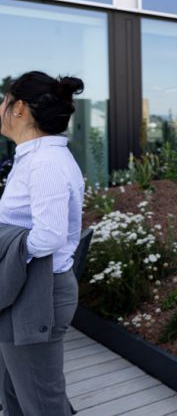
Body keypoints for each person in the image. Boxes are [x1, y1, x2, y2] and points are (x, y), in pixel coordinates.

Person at [0, 71, 85, 415]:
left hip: (38, 293)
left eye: (4, 100)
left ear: (19, 108)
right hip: (27, 290)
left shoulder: (45, 163)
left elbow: (48, 236)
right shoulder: (34, 158)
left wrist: (8, 252)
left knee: (41, 404)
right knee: (14, 396)